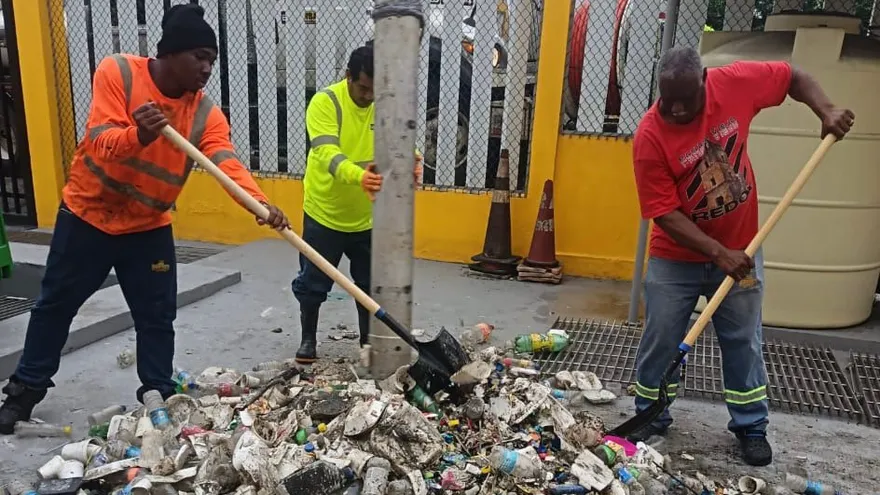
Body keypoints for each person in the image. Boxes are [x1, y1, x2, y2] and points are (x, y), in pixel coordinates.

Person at [0, 4, 289, 434]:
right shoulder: (119, 73)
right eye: (200, 57)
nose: (207, 68)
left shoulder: (204, 114)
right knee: (55, 307)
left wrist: (261, 205)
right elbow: (101, 141)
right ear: (170, 53)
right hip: (88, 217)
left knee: (156, 316)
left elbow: (226, 165)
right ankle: (22, 394)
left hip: (148, 227)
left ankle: (159, 395)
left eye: (211, 60)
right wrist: (140, 134)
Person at [630, 46, 854, 466]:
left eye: (686, 99)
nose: (676, 110)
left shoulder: (733, 84)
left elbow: (791, 76)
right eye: (667, 100)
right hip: (675, 260)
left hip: (743, 251)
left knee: (744, 340)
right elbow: (664, 214)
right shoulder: (649, 136)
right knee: (660, 337)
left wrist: (825, 110)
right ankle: (650, 415)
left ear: (704, 81)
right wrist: (719, 253)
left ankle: (751, 426)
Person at [293, 44, 422, 364]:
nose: (369, 96)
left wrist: (413, 160)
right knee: (313, 283)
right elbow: (327, 153)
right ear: (348, 75)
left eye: (375, 90)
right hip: (325, 213)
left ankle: (368, 342)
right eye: (364, 88)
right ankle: (308, 339)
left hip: (368, 217)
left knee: (370, 284)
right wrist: (359, 176)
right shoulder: (325, 102)